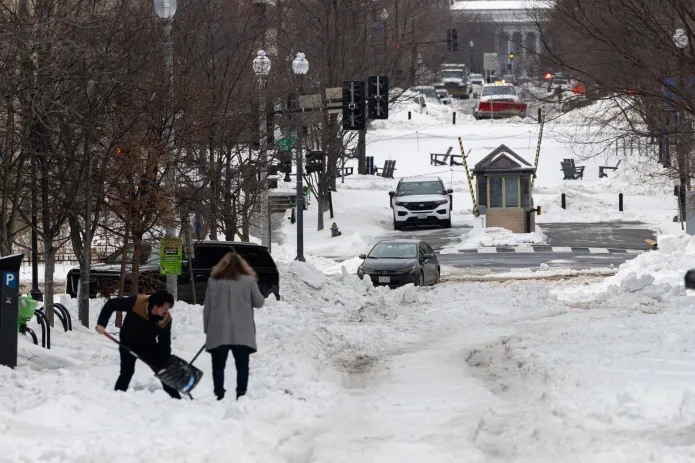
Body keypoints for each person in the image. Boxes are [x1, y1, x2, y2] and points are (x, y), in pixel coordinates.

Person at [95, 289, 180, 399]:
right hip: (128, 343)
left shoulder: (166, 319)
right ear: (155, 306)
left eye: (168, 308)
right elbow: (111, 304)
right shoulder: (138, 302)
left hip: (147, 346)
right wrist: (102, 324)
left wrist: (165, 363)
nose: (166, 311)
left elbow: (165, 344)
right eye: (164, 308)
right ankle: (116, 398)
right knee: (127, 372)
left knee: (162, 371)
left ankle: (177, 400)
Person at [203, 253, 265, 401]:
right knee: (242, 365)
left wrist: (207, 330)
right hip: (242, 332)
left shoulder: (213, 282)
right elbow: (259, 302)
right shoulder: (249, 281)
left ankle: (219, 392)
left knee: (218, 365)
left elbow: (207, 308)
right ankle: (241, 393)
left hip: (218, 331)